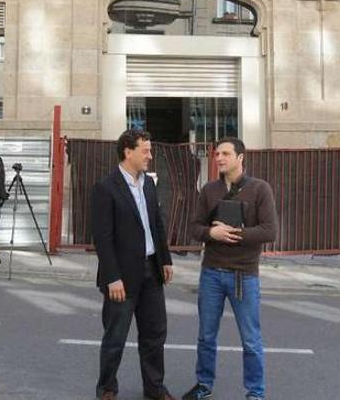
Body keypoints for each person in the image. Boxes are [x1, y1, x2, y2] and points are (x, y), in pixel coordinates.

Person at [183, 137, 278, 400]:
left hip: (243, 275)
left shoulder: (260, 189)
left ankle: (255, 393)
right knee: (205, 336)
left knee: (250, 340)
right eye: (216, 154)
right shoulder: (208, 190)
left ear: (240, 157)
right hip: (211, 272)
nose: (219, 158)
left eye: (225, 153)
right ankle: (204, 386)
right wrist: (212, 233)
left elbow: (270, 230)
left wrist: (237, 234)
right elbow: (194, 228)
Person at [92, 129, 174, 400]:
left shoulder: (148, 184)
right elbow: (102, 238)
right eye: (145, 151)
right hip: (122, 277)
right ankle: (107, 388)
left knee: (154, 335)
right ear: (128, 152)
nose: (150, 155)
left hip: (152, 270)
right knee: (115, 337)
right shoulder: (106, 187)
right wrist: (112, 277)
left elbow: (156, 224)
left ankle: (154, 388)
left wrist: (165, 259)